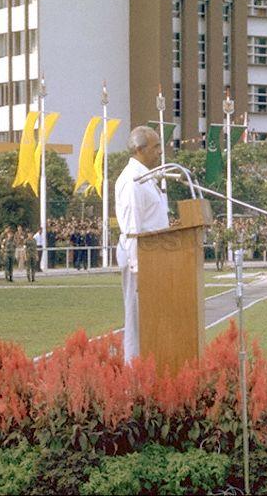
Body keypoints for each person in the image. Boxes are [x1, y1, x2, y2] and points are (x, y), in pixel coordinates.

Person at [114, 125, 169, 364]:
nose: (160, 152)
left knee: (149, 321)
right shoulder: (132, 181)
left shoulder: (145, 177)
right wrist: (138, 268)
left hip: (154, 257)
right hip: (141, 260)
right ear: (139, 149)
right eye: (155, 147)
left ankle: (145, 369)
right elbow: (132, 229)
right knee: (135, 321)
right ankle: (133, 375)